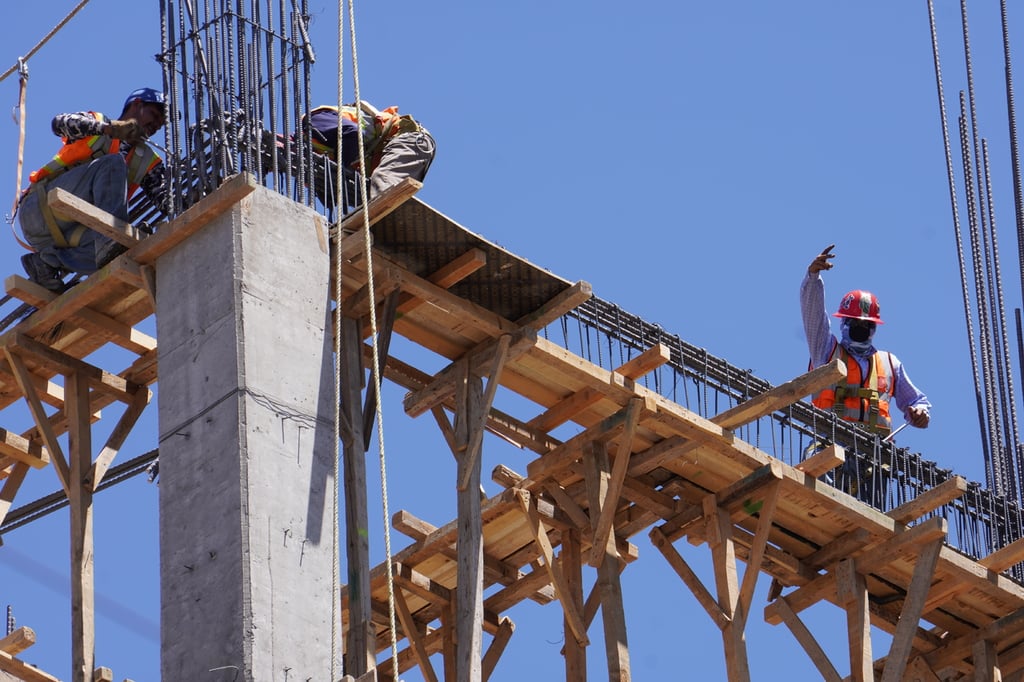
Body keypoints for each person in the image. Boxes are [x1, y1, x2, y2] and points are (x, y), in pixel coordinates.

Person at [17, 87, 170, 291]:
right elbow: (58, 123)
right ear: (136, 105)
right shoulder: (97, 122)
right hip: (40, 208)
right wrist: (108, 129)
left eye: (161, 123)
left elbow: (167, 201)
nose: (156, 125)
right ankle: (110, 238)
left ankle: (46, 263)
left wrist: (192, 198)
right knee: (114, 164)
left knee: (124, 251)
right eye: (155, 115)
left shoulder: (148, 160)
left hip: (66, 234)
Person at [801, 244, 931, 436]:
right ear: (844, 323)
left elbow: (916, 401)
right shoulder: (826, 351)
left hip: (875, 451)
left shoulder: (889, 364)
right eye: (856, 323)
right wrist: (813, 277)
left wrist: (920, 412)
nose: (861, 328)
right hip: (831, 443)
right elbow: (814, 316)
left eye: (867, 325)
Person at [305, 100, 435, 205]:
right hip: (403, 145)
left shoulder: (311, 123)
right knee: (372, 196)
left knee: (383, 181)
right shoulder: (325, 151)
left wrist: (343, 170)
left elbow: (352, 133)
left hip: (407, 138)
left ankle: (385, 220)